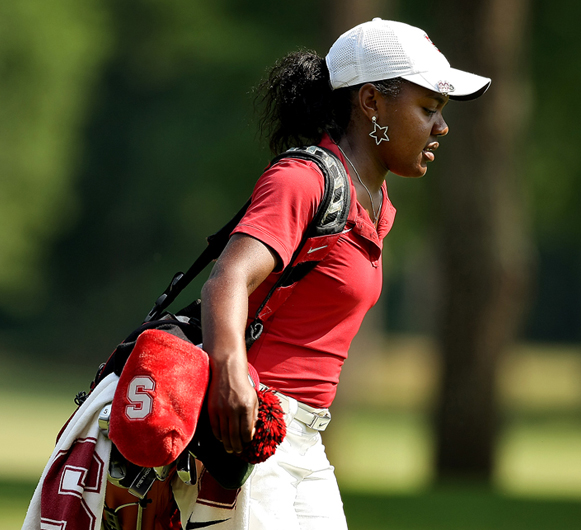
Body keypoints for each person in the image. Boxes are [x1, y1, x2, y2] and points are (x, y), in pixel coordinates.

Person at [174, 18, 491, 530]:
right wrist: (229, 370)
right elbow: (227, 279)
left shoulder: (375, 202)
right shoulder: (303, 179)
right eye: (428, 109)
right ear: (371, 102)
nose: (441, 127)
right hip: (254, 434)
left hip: (306, 445)